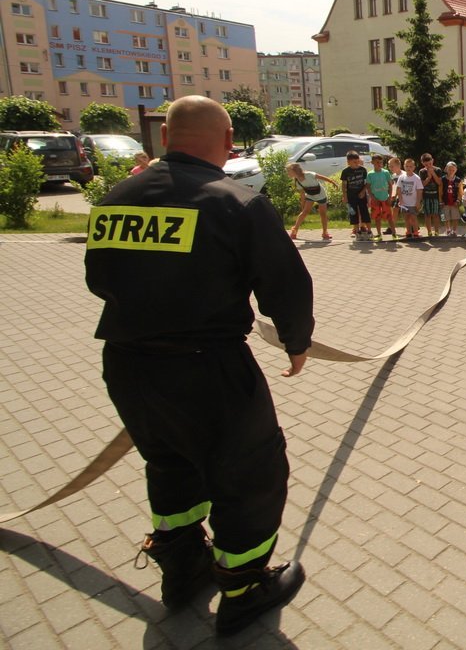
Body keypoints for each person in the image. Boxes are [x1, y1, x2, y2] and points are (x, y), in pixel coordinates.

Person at [83, 96, 311, 636]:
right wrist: (297, 343)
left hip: (129, 367)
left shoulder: (117, 197)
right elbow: (286, 283)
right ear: (228, 139)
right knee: (250, 474)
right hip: (209, 370)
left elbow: (98, 280)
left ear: (165, 137)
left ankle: (181, 566)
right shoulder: (236, 202)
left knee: (170, 464)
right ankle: (244, 586)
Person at [285, 162, 334, 240]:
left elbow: (322, 177)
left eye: (288, 171)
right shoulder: (297, 181)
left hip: (321, 195)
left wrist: (332, 182)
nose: (287, 173)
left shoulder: (309, 174)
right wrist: (302, 205)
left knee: (323, 214)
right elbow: (302, 194)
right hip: (310, 195)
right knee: (304, 212)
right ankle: (294, 232)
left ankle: (325, 233)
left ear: (294, 171)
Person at [340, 151, 370, 239]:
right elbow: (344, 184)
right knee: (353, 213)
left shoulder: (363, 170)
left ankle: (367, 229)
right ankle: (357, 231)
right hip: (351, 196)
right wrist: (344, 196)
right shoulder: (345, 171)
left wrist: (363, 191)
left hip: (361, 195)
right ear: (348, 162)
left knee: (364, 211)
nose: (357, 164)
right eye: (354, 162)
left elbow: (366, 183)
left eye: (358, 161)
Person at [365, 154, 395, 240]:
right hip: (375, 200)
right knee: (377, 218)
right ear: (372, 162)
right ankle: (379, 234)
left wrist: (389, 198)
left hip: (385, 198)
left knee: (389, 217)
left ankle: (394, 234)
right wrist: (372, 197)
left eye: (381, 162)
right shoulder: (370, 174)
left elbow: (390, 185)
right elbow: (368, 187)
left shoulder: (385, 172)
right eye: (377, 162)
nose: (379, 164)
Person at [394, 157, 423, 238]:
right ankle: (409, 232)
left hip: (413, 203)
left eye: (410, 166)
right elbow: (398, 189)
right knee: (406, 217)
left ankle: (416, 232)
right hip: (404, 203)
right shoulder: (401, 177)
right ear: (404, 166)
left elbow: (419, 191)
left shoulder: (416, 178)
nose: (408, 168)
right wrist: (400, 200)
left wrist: (418, 202)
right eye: (407, 166)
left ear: (414, 167)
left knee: (413, 218)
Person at [418, 153, 443, 236]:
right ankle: (429, 232)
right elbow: (422, 185)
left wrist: (433, 174)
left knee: (436, 214)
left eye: (430, 163)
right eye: (426, 164)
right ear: (422, 163)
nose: (428, 166)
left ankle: (436, 231)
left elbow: (439, 183)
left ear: (433, 161)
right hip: (426, 196)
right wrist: (428, 178)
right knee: (427, 215)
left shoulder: (438, 170)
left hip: (435, 195)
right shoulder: (422, 171)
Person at [442, 161, 463, 236]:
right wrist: (441, 201)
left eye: (453, 170)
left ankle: (454, 231)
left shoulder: (458, 180)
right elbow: (441, 190)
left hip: (454, 202)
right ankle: (448, 230)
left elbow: (461, 192)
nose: (451, 171)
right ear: (446, 169)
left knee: (455, 217)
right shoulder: (443, 179)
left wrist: (458, 200)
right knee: (446, 217)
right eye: (449, 170)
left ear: (456, 170)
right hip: (445, 202)